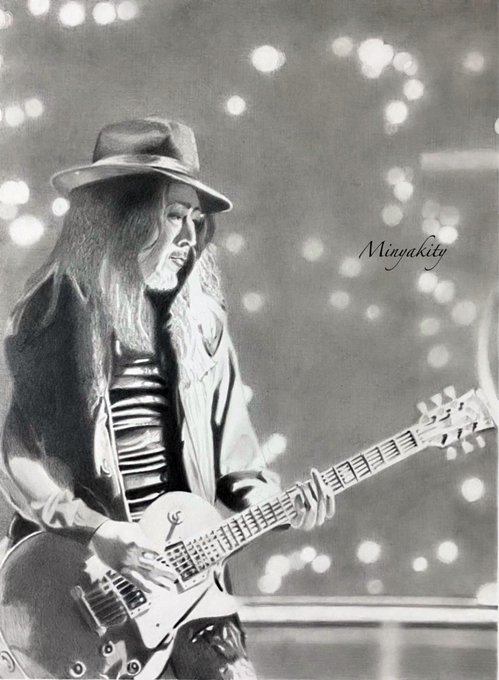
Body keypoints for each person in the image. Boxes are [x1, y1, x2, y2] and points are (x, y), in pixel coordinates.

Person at [0, 117, 335, 679]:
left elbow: (239, 468)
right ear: (123, 217)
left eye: (195, 220)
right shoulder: (54, 313)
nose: (189, 237)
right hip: (80, 589)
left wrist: (284, 507)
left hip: (190, 586)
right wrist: (99, 532)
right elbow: (18, 454)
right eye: (172, 215)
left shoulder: (204, 325)